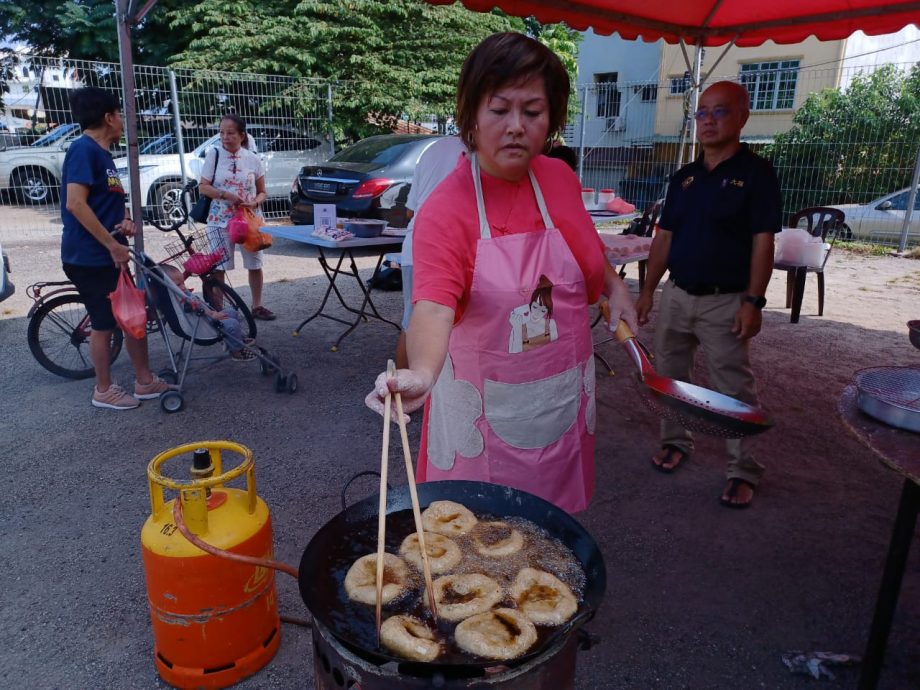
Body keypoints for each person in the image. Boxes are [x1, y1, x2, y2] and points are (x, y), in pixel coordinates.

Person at [366, 32, 637, 514]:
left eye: (532, 112)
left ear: (551, 119)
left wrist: (614, 286)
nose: (516, 127)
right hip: (485, 419)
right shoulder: (447, 210)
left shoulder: (559, 178)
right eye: (499, 110)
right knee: (481, 541)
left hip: (561, 403)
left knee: (554, 537)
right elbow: (432, 305)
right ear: (471, 116)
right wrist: (423, 372)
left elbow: (585, 244)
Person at [634, 80, 782, 509]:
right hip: (677, 294)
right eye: (702, 112)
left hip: (726, 301)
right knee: (669, 377)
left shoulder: (757, 174)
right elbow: (664, 237)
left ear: (743, 116)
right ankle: (676, 441)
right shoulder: (685, 178)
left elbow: (763, 242)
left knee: (732, 386)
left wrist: (753, 302)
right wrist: (647, 292)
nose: (709, 120)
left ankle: (743, 469)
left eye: (720, 111)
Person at [61, 87, 176, 410]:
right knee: (104, 323)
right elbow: (76, 204)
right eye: (120, 115)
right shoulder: (83, 150)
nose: (124, 121)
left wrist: (123, 220)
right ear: (109, 117)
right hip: (90, 256)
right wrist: (112, 244)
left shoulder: (103, 155)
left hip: (110, 253)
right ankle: (103, 389)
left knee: (132, 316)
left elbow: (104, 202)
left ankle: (144, 380)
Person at [396, 135, 468, 368]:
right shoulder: (482, 151)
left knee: (412, 322)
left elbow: (409, 211)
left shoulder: (432, 149)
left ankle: (398, 398)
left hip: (414, 246)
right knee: (457, 325)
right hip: (453, 249)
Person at [198, 114, 275, 321]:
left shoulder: (253, 159)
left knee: (255, 263)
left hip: (249, 219)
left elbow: (262, 192)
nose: (225, 137)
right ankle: (219, 310)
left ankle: (257, 306)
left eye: (230, 133)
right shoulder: (213, 155)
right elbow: (203, 187)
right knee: (219, 267)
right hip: (220, 219)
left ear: (242, 135)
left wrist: (255, 202)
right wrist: (225, 195)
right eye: (222, 132)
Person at [160, 265, 255, 361]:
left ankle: (235, 340)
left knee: (231, 312)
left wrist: (213, 314)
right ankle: (237, 351)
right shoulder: (181, 302)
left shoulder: (181, 295)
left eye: (183, 283)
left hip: (205, 320)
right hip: (203, 327)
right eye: (178, 285)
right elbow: (199, 309)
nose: (183, 287)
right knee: (232, 324)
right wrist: (214, 315)